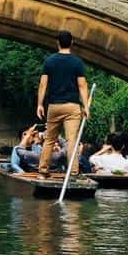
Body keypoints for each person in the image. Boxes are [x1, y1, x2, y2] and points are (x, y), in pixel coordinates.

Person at [36, 31, 91, 178]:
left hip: (54, 106)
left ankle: (43, 170)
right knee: (72, 140)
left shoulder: (49, 61)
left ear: (57, 42)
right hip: (72, 106)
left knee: (49, 139)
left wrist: (40, 104)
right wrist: (86, 106)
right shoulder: (77, 62)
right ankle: (73, 172)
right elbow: (82, 85)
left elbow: (43, 85)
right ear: (72, 42)